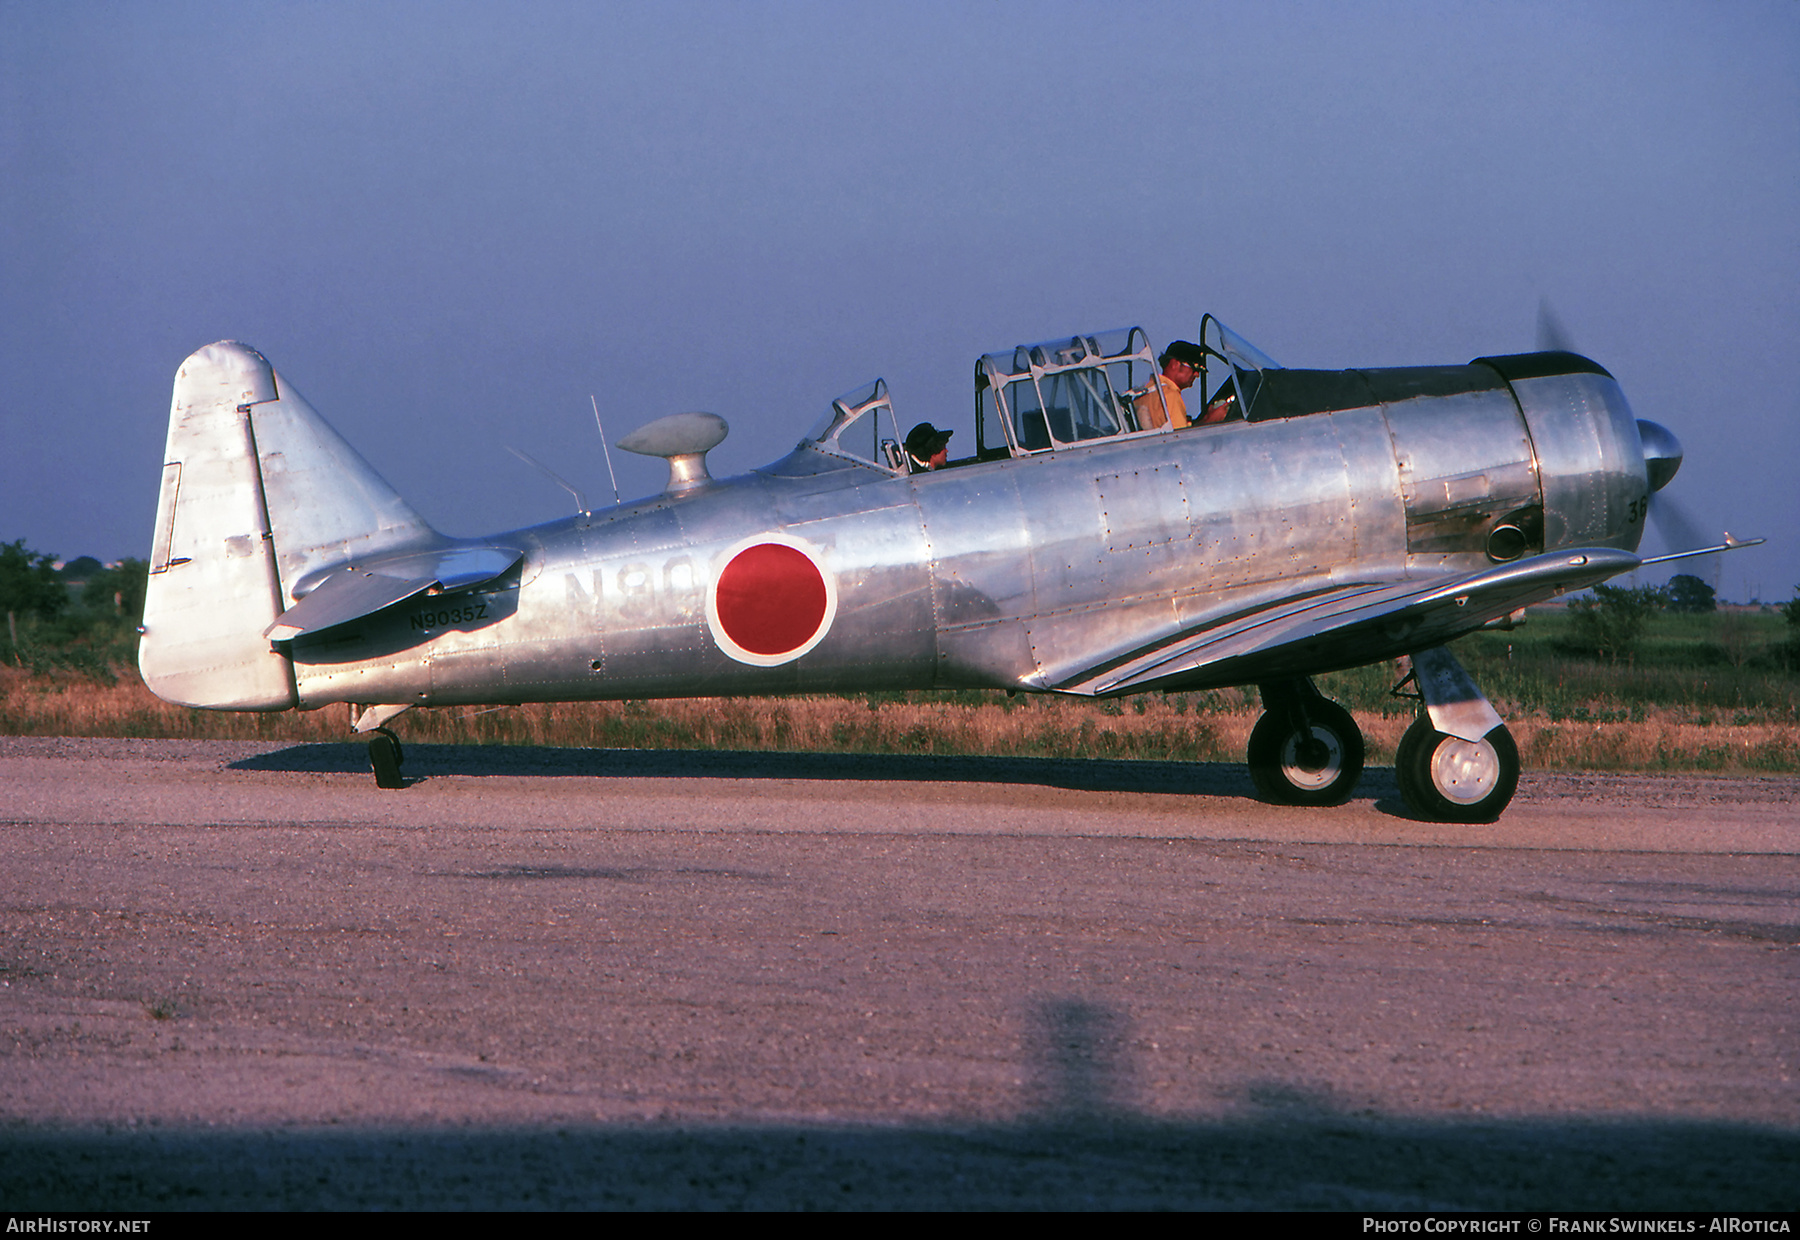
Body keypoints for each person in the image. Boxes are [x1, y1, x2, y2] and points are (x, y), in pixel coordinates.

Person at [1133, 340, 1206, 431]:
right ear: (1174, 364)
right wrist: (1211, 420)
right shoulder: (1170, 396)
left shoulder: (1144, 392)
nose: (1197, 374)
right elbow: (1183, 440)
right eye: (1194, 367)